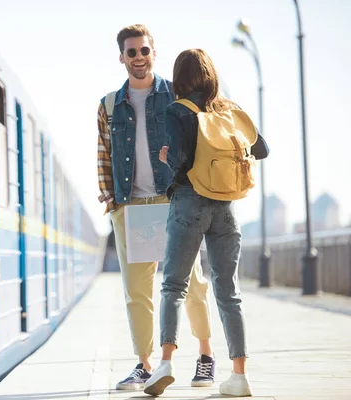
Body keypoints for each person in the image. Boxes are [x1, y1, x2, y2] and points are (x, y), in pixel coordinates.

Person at [143, 48, 269, 397]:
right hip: (226, 208)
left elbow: (182, 160)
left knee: (173, 286)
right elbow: (262, 150)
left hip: (189, 203)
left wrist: (168, 158)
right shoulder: (229, 110)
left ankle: (165, 364)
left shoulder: (178, 110)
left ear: (180, 78)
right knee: (228, 291)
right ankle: (239, 375)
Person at [97, 25, 216, 391]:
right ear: (121, 57)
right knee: (137, 292)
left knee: (191, 283)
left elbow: (200, 140)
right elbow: (104, 152)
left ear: (154, 53)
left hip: (173, 199)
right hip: (131, 205)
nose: (138, 58)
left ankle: (206, 356)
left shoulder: (175, 96)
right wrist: (111, 198)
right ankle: (145, 364)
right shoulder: (108, 104)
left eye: (144, 51)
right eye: (131, 52)